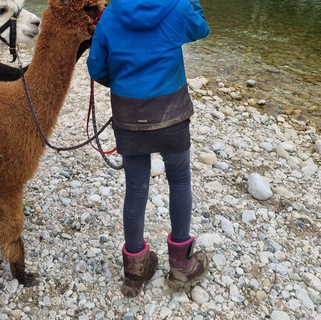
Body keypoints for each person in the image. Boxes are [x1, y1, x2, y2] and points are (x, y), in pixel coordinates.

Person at [87, 0, 210, 297]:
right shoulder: (178, 6)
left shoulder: (111, 14)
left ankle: (135, 269)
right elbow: (201, 28)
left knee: (136, 187)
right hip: (172, 114)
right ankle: (181, 264)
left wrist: (123, 83)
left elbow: (96, 67)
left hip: (129, 118)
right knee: (179, 180)